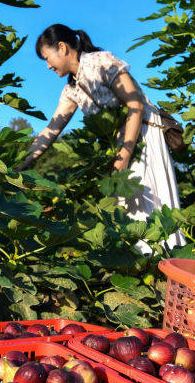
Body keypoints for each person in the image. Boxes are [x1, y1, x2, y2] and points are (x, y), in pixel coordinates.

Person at [17, 24, 185, 251]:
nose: (48, 66)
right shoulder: (72, 90)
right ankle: (145, 270)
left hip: (141, 136)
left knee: (151, 211)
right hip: (119, 148)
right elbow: (50, 131)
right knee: (130, 216)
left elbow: (134, 104)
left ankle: (168, 268)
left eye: (48, 58)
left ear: (62, 47)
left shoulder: (102, 62)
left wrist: (123, 155)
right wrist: (18, 166)